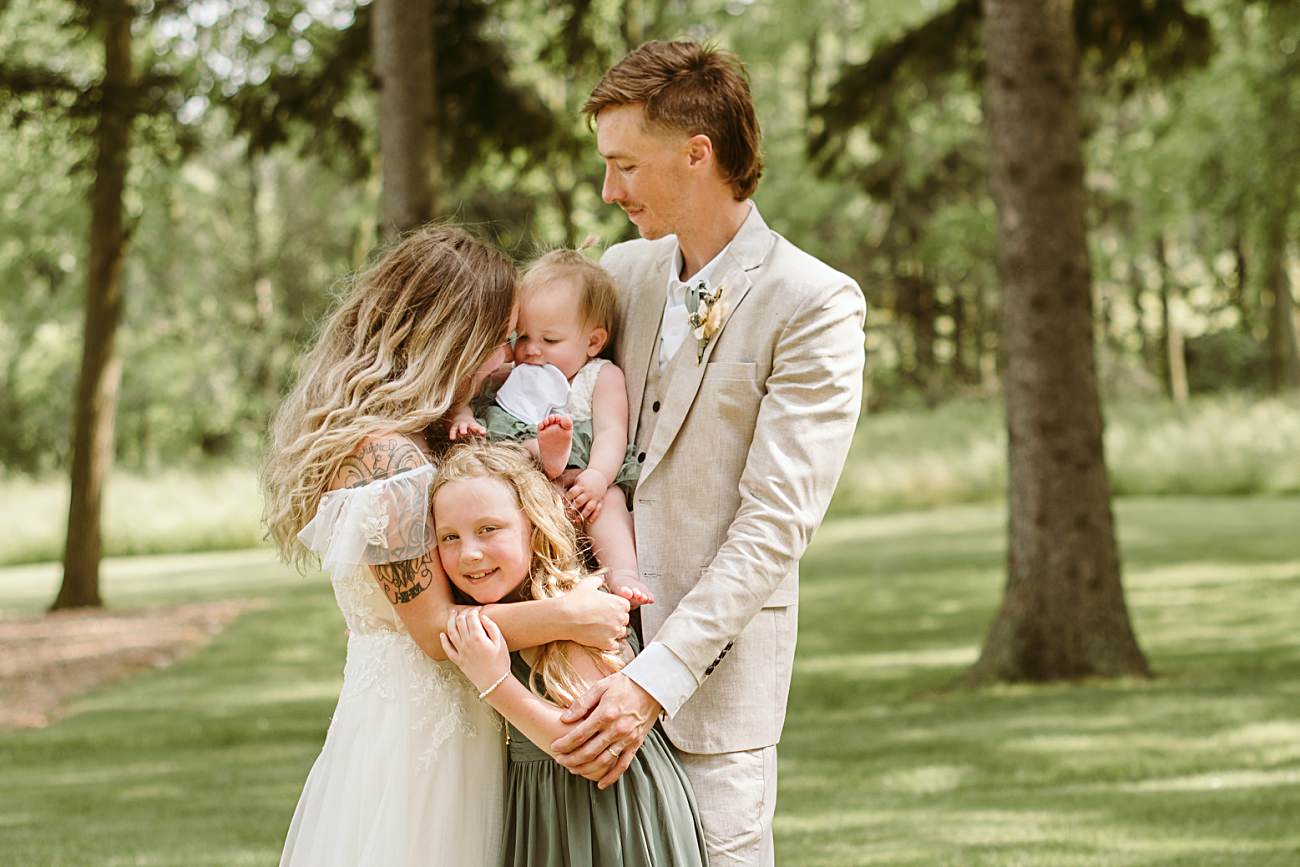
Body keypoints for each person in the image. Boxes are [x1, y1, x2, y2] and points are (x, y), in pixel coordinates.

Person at [548, 42, 867, 866]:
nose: (608, 190)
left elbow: (773, 525)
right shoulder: (619, 274)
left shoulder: (813, 303)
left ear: (698, 153)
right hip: (578, 682)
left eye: (624, 166)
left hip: (711, 704)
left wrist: (654, 682)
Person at [261, 226, 631, 867]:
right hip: (417, 746)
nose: (509, 360)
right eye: (501, 338)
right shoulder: (389, 458)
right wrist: (572, 614)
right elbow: (433, 630)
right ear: (452, 337)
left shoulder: (422, 440)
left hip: (456, 720)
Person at [434, 441, 708, 867]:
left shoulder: (577, 609)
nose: (469, 551)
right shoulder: (508, 613)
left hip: (607, 820)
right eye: (450, 537)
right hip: (549, 814)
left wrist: (495, 682)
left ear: (535, 526)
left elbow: (594, 753)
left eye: (489, 529)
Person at [447, 249, 653, 607]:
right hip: (521, 478)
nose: (532, 351)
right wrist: (464, 417)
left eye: (550, 340)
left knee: (610, 504)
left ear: (593, 341)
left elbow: (611, 432)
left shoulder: (600, 376)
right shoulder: (512, 374)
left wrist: (598, 478)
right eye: (522, 337)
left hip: (579, 478)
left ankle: (623, 572)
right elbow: (467, 388)